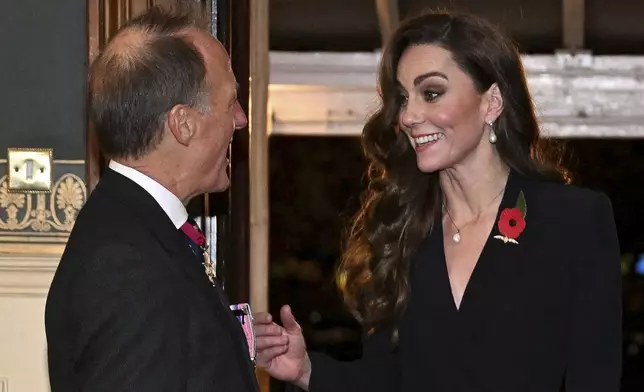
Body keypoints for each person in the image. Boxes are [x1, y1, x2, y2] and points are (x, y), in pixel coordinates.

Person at [254, 10, 622, 392]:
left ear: (491, 102)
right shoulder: (402, 232)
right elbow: (387, 381)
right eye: (402, 98)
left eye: (431, 93)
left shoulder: (572, 220)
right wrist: (307, 371)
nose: (409, 115)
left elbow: (595, 377)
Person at [44, 5, 258, 392]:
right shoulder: (129, 266)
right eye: (231, 102)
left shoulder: (140, 227)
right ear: (183, 124)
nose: (240, 119)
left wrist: (228, 345)